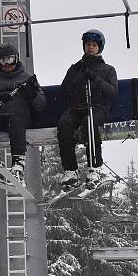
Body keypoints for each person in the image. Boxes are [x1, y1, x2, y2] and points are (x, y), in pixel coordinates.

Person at [57, 29, 118, 191]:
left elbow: (112, 92)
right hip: (77, 107)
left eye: (94, 45)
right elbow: (64, 91)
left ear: (99, 48)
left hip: (97, 107)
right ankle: (70, 170)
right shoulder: (76, 68)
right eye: (88, 44)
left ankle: (95, 167)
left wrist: (95, 78)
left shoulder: (108, 70)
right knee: (65, 125)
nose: (90, 47)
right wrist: (75, 74)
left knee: (88, 123)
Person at [0, 44, 45, 185]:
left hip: (19, 115)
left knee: (16, 122)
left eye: (10, 60)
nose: (7, 64)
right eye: (3, 61)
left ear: (16, 59)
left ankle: (18, 164)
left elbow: (41, 104)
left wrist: (31, 94)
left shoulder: (27, 78)